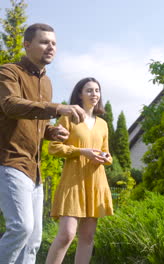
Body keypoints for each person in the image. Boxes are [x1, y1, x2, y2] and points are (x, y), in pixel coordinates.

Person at [0, 23, 86, 264]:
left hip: (34, 169)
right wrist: (57, 108)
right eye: (44, 42)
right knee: (20, 228)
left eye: (54, 43)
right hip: (10, 161)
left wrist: (50, 132)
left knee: (34, 239)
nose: (51, 47)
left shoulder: (46, 83)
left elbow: (33, 123)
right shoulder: (8, 72)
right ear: (27, 45)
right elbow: (10, 105)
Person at [45, 77, 114, 264]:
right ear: (79, 94)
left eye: (97, 90)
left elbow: (107, 153)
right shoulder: (68, 118)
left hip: (95, 181)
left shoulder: (103, 124)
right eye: (89, 90)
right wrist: (80, 151)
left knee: (88, 237)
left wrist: (106, 158)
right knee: (66, 234)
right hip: (73, 180)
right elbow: (54, 147)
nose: (94, 94)